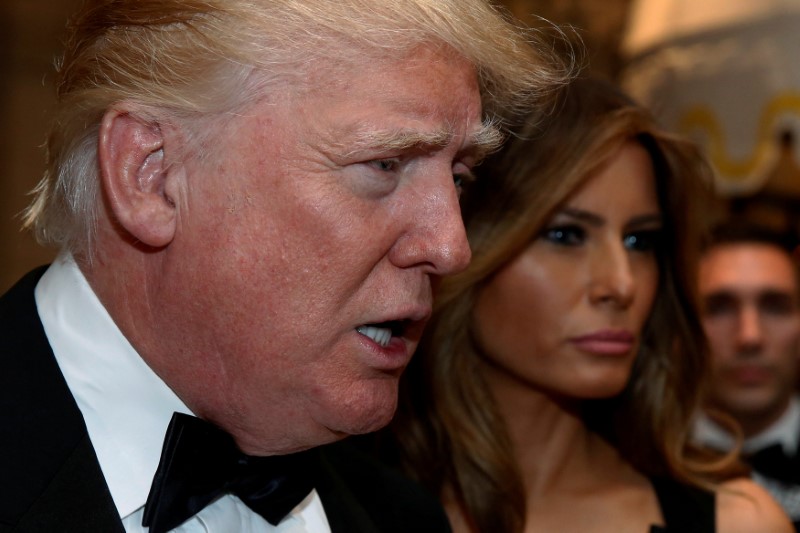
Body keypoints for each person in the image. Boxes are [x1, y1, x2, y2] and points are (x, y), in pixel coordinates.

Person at [0, 1, 572, 532]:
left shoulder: (403, 516)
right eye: (384, 164)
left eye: (458, 177)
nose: (452, 247)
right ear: (151, 175)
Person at [384, 77, 793, 532]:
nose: (621, 284)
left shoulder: (738, 521)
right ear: (463, 243)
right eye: (566, 235)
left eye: (640, 241)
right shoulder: (333, 507)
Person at [693, 221, 800, 530]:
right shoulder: (631, 463)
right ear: (680, 328)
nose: (749, 336)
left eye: (775, 307)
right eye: (719, 308)